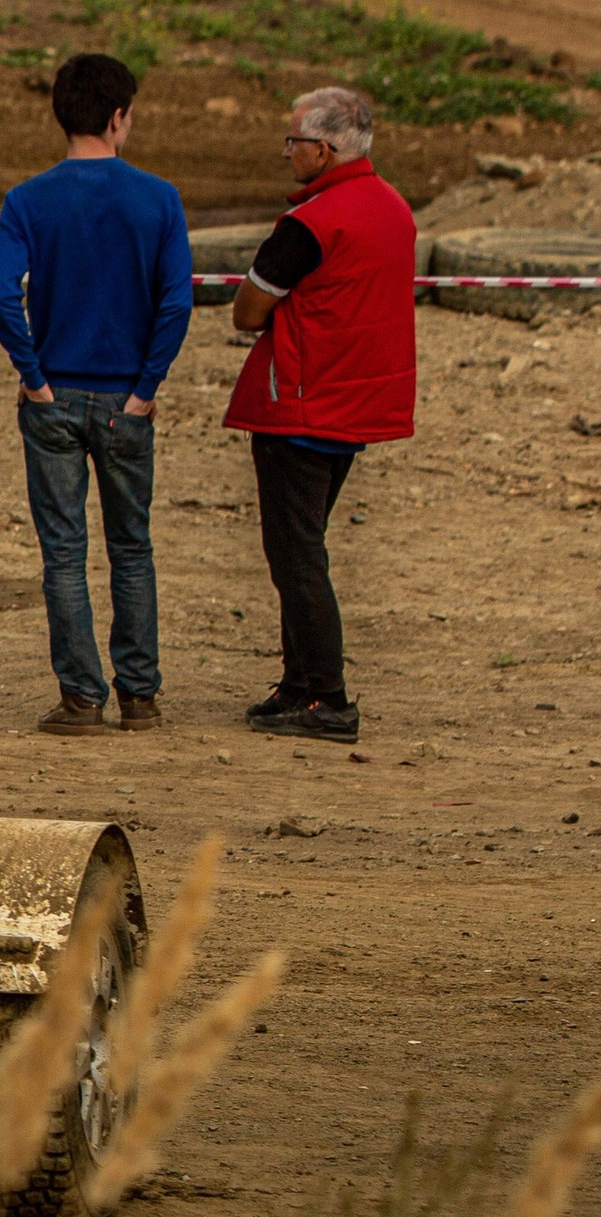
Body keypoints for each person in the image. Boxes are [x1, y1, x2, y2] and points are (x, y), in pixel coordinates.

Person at [0, 53, 193, 738]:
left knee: (65, 552)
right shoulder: (159, 198)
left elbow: (2, 301)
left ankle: (82, 698)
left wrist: (34, 376)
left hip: (53, 399)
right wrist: (147, 387)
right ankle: (139, 695)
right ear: (117, 117)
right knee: (132, 547)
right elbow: (175, 302)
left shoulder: (27, 200)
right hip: (124, 402)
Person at [225, 86, 415, 745]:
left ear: (324, 149)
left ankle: (325, 696)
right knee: (301, 548)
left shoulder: (311, 223)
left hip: (301, 407)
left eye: (294, 142)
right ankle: (301, 686)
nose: (286, 152)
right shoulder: (392, 209)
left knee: (296, 554)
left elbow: (248, 310)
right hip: (356, 406)